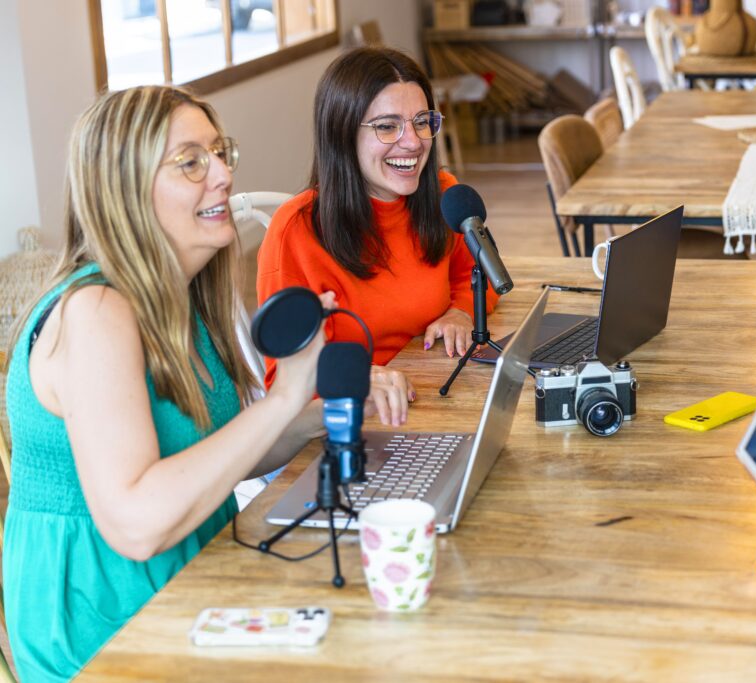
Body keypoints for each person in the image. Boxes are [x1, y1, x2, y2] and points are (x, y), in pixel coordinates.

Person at [2, 85, 369, 682]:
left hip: (195, 583)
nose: (222, 174)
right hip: (107, 635)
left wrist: (319, 411)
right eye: (191, 162)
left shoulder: (181, 297)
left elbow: (212, 457)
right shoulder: (96, 311)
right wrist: (279, 399)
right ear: (125, 190)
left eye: (220, 153)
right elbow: (138, 524)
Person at [257, 47, 499, 407]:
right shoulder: (296, 231)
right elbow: (285, 379)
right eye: (387, 126)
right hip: (350, 421)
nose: (414, 142)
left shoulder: (445, 195)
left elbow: (478, 274)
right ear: (342, 134)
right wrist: (353, 377)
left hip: (432, 394)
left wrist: (461, 311)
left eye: (422, 122)